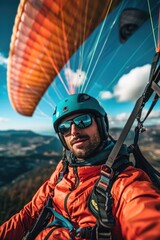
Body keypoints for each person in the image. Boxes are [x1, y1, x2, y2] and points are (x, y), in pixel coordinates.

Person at [0, 93, 160, 240]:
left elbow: (145, 219)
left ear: (101, 124)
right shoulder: (62, 171)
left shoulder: (125, 183)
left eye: (83, 120)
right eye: (64, 127)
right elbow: (29, 214)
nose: (74, 131)